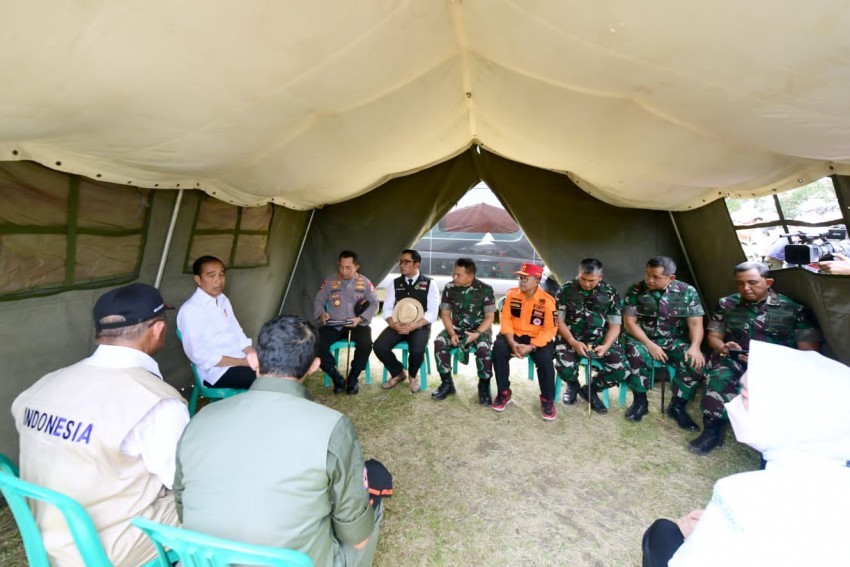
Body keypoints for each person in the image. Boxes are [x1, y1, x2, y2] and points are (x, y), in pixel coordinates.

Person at [174, 316, 384, 567]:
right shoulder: (333, 428)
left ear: (254, 360)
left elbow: (183, 507)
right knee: (374, 494)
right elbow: (357, 539)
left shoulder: (200, 419)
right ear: (314, 366)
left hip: (207, 561)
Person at [11, 283, 189, 566]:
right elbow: (184, 485)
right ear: (157, 329)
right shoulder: (156, 402)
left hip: (49, 542)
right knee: (211, 504)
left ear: (99, 333)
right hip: (109, 550)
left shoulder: (41, 386)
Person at [642, 341, 850, 567]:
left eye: (745, 396)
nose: (732, 405)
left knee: (661, 532)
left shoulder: (739, 493)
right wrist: (718, 523)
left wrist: (701, 534)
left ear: (787, 412)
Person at [689, 261, 820, 455]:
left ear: (768, 282)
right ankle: (713, 431)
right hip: (736, 360)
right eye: (740, 283)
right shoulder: (726, 304)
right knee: (719, 374)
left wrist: (770, 361)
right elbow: (713, 337)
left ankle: (775, 443)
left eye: (752, 282)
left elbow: (808, 352)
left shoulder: (794, 309)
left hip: (776, 365)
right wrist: (724, 347)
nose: (746, 288)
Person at [622, 256, 706, 427]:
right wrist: (649, 344)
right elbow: (630, 323)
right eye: (647, 275)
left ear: (671, 278)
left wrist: (695, 347)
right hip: (642, 338)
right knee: (634, 352)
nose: (649, 280)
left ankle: (677, 406)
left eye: (656, 277)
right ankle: (640, 402)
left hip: (673, 340)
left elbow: (696, 322)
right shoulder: (636, 290)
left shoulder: (687, 291)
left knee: (696, 361)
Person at [554, 258, 627, 414]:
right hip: (570, 336)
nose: (586, 284)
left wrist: (606, 345)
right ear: (578, 274)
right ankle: (572, 384)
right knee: (564, 366)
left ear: (600, 277)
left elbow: (615, 325)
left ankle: (591, 389)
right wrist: (573, 342)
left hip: (600, 338)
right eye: (583, 279)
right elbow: (558, 321)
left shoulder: (610, 293)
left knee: (621, 369)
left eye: (591, 280)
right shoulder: (565, 290)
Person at [177, 255, 258, 389]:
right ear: (198, 279)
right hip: (216, 372)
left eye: (221, 275)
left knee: (278, 369)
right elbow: (198, 354)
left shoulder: (223, 300)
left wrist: (252, 354)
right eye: (211, 276)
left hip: (240, 359)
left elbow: (238, 332)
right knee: (267, 378)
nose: (218, 281)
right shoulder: (191, 310)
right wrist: (242, 362)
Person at [491, 262, 559, 420]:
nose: (521, 282)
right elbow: (505, 320)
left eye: (525, 279)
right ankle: (504, 392)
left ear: (536, 280)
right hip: (514, 335)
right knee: (499, 349)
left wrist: (532, 345)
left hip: (537, 337)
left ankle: (547, 400)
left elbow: (550, 329)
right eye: (520, 278)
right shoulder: (512, 295)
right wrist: (511, 342)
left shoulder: (547, 301)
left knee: (545, 359)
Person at [431, 258, 496, 404]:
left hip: (480, 330)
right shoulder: (450, 287)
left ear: (470, 276)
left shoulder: (485, 289)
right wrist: (451, 332)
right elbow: (445, 313)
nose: (454, 277)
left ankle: (484, 386)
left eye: (458, 275)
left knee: (484, 348)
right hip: (457, 329)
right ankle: (447, 384)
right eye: (453, 273)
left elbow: (490, 317)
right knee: (439, 342)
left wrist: (477, 334)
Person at [313, 250, 379, 395]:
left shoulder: (365, 282)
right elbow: (318, 301)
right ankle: (336, 378)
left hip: (357, 324)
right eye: (341, 267)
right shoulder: (330, 282)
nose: (343, 271)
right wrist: (321, 313)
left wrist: (360, 319)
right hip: (335, 324)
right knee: (316, 342)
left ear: (356, 267)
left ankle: (353, 378)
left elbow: (375, 304)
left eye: (348, 267)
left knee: (365, 343)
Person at [376, 249, 440, 393]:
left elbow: (432, 312)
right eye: (401, 262)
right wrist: (393, 323)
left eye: (406, 262)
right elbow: (387, 308)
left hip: (420, 325)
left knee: (417, 349)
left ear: (417, 264)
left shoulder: (429, 284)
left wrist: (416, 325)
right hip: (398, 324)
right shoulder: (395, 283)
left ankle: (412, 376)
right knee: (379, 346)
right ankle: (398, 373)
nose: (402, 265)